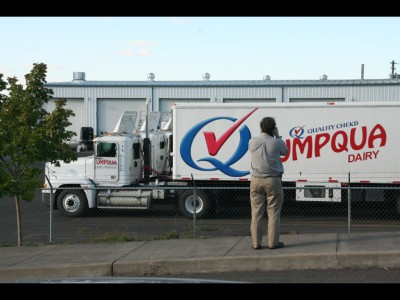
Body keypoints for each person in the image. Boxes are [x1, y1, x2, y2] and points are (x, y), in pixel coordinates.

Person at [248, 116, 289, 250]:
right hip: (273, 180)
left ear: (261, 127)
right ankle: (272, 243)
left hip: (256, 180)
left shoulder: (252, 142)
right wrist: (277, 136)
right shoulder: (276, 142)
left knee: (256, 213)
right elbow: (285, 152)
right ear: (273, 128)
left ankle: (256, 243)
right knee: (273, 213)